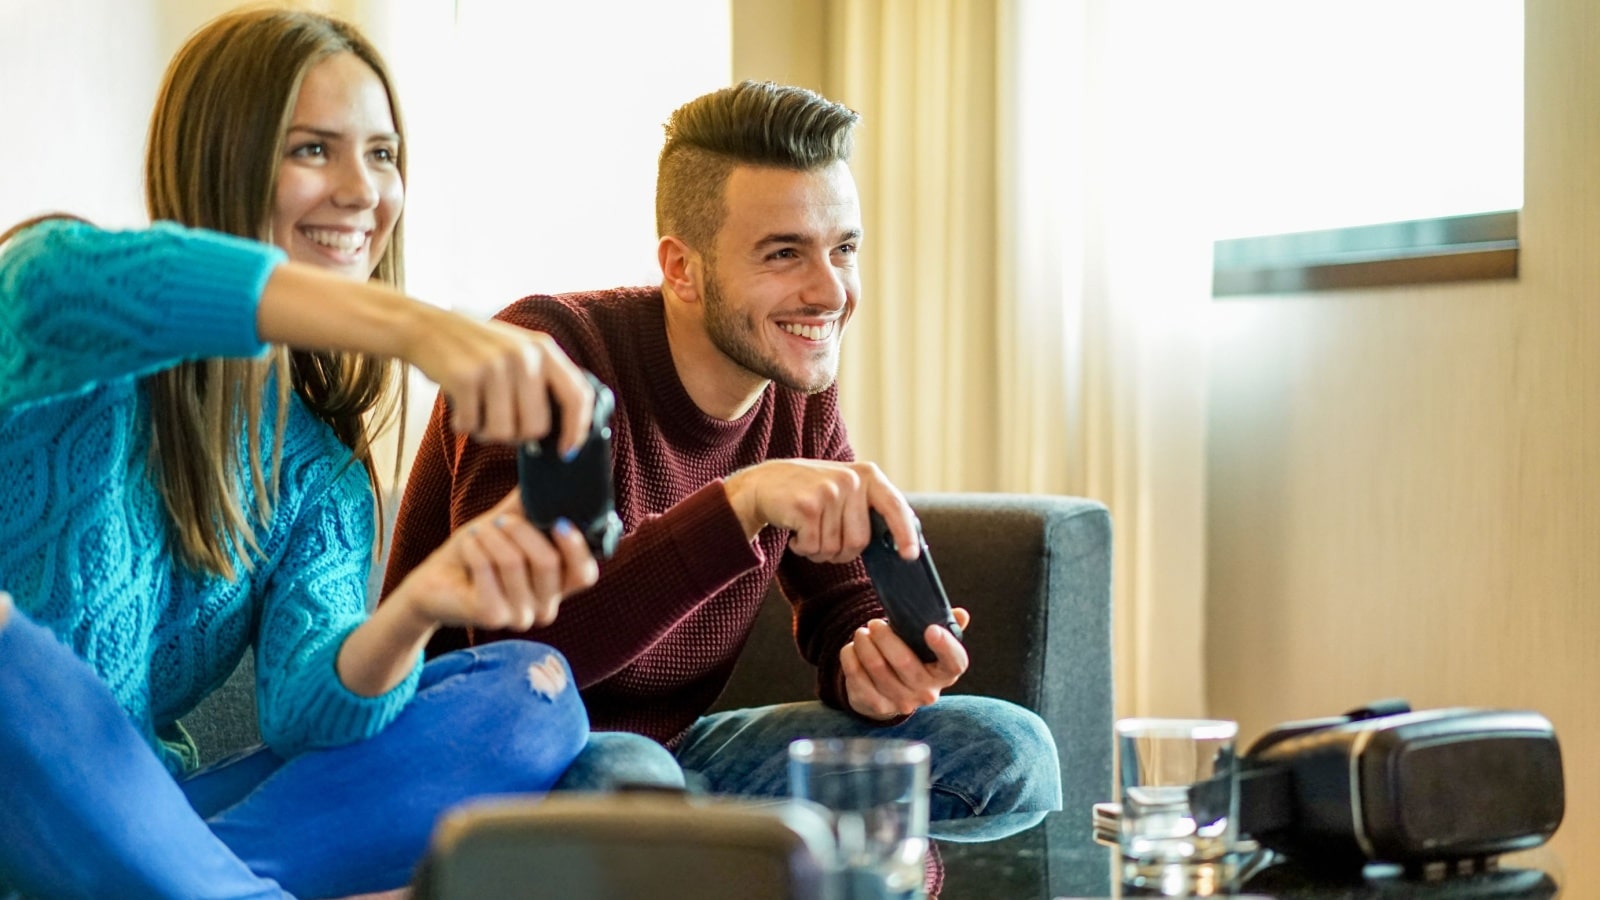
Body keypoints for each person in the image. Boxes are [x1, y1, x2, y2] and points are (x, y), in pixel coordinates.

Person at [0, 9, 602, 899]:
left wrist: (424, 604)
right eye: (312, 150)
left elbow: (306, 712)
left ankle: (181, 881)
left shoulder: (320, 474)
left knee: (536, 702)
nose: (363, 191)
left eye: (383, 154)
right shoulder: (57, 297)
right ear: (222, 163)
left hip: (147, 820)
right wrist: (423, 329)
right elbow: (143, 280)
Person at [383, 80, 1064, 826]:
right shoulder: (551, 356)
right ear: (681, 268)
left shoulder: (794, 388)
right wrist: (743, 501)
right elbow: (530, 652)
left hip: (676, 762)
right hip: (480, 760)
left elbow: (840, 603)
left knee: (1009, 747)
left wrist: (870, 660)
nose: (830, 289)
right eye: (784, 254)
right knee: (628, 777)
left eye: (844, 249)